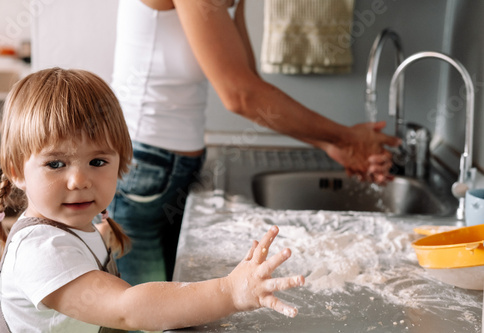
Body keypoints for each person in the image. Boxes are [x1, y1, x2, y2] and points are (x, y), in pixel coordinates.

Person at [110, 0, 401, 285]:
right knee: (143, 318)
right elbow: (240, 95)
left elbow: (248, 81)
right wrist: (347, 139)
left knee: (171, 304)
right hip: (144, 166)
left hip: (175, 166)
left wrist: (328, 144)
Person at [0, 68, 305, 332]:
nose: (79, 180)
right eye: (56, 164)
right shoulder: (41, 251)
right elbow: (127, 308)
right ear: (17, 170)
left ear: (121, 164)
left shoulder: (72, 226)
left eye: (98, 162)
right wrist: (231, 292)